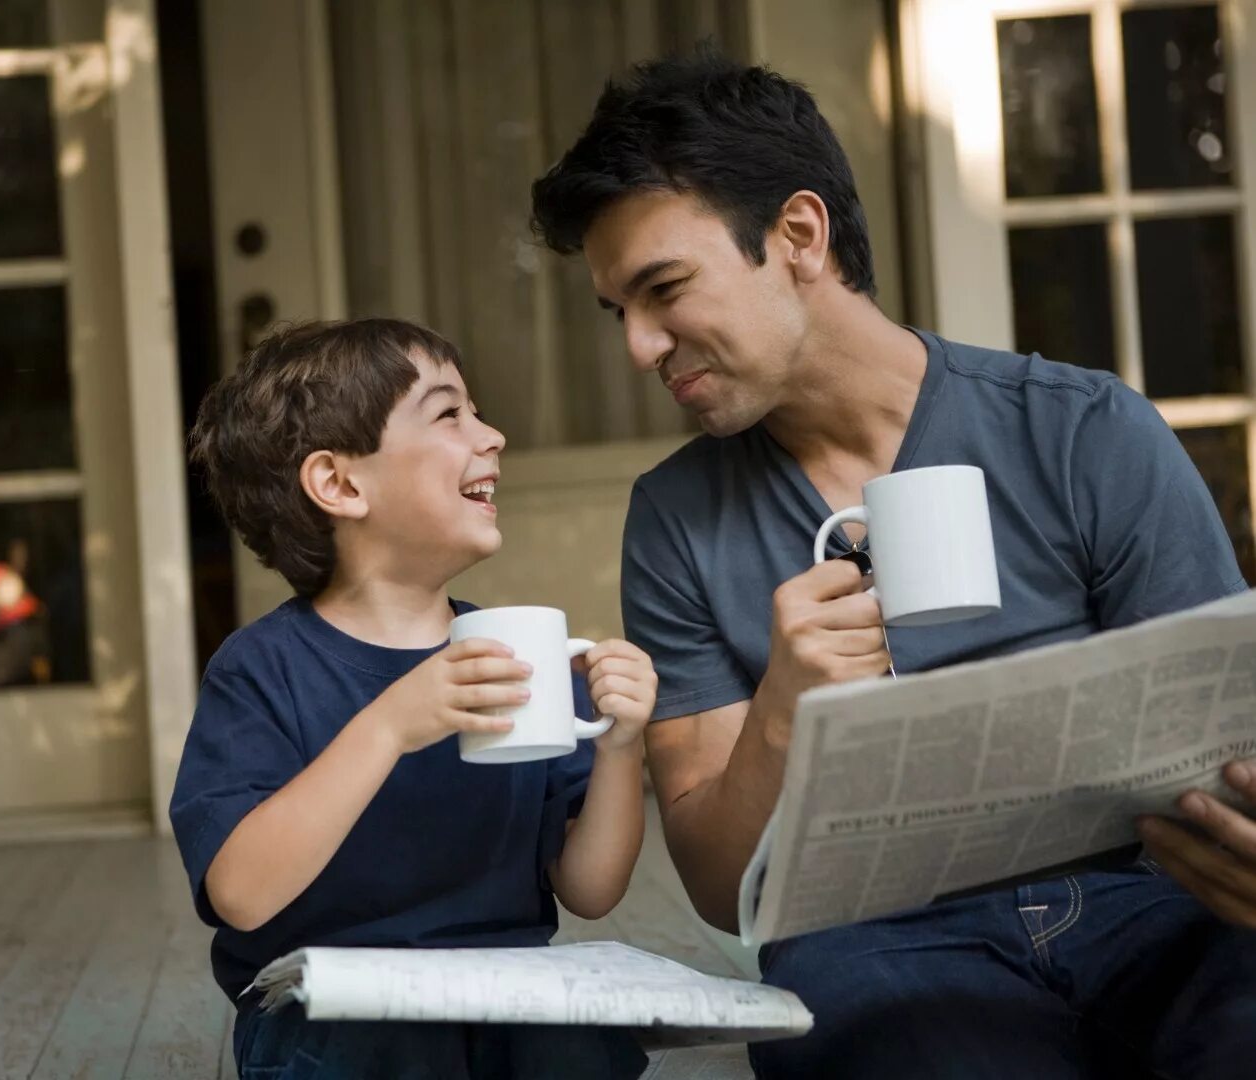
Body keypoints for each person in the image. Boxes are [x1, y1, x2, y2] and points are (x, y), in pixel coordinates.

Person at [530, 47, 1256, 1078]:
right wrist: (783, 706)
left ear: (798, 236)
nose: (639, 347)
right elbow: (718, 884)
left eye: (663, 289)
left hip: (1149, 906)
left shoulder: (1086, 430)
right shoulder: (676, 520)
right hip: (880, 939)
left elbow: (1228, 745)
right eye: (620, 312)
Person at [171, 319, 655, 1079]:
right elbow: (241, 892)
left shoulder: (515, 652)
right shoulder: (262, 670)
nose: (492, 436)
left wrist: (623, 747)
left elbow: (589, 889)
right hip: (333, 1013)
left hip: (509, 993)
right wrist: (391, 724)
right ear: (339, 484)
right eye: (449, 414)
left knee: (575, 1044)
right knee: (392, 1045)